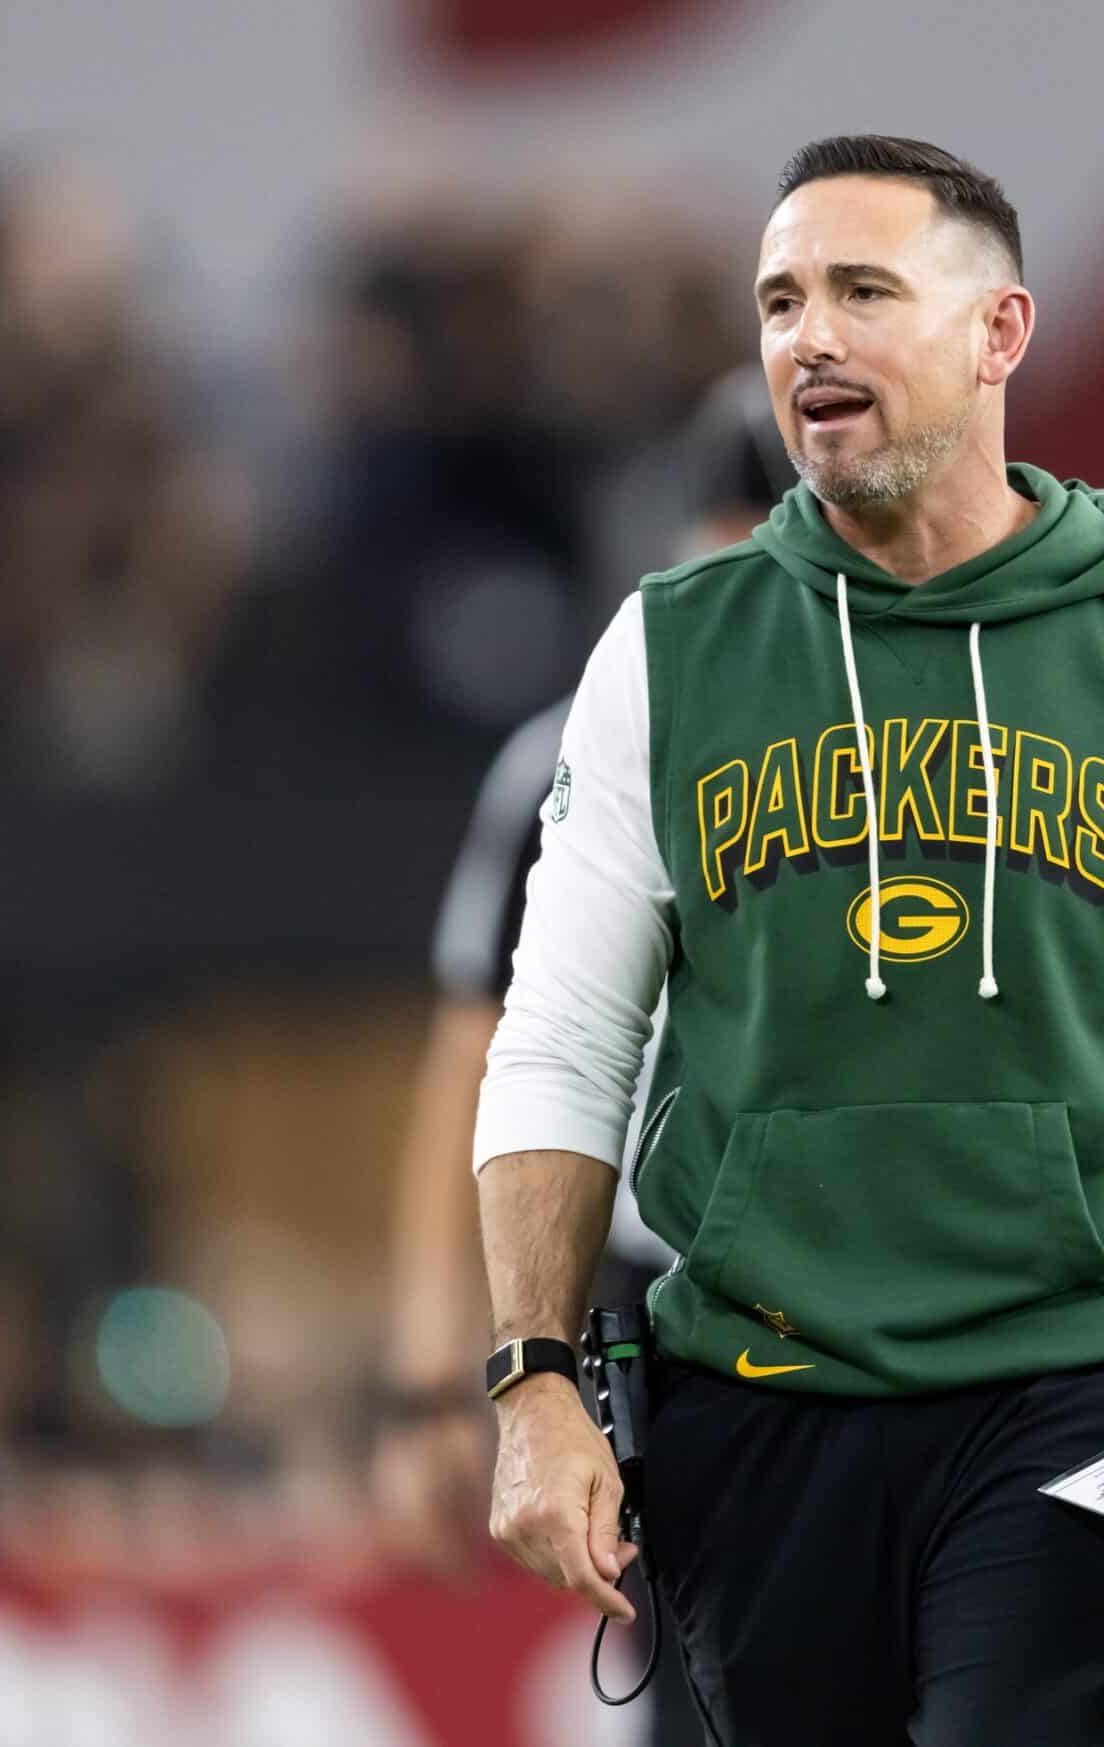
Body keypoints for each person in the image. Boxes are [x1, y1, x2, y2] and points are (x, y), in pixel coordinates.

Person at [473, 136, 1104, 1745]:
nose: (806, 337)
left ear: (998, 333)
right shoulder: (671, 654)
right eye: (779, 301)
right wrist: (532, 1378)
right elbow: (560, 1034)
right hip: (756, 1392)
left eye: (862, 291)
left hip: (1069, 1387)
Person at [376, 376, 796, 1744]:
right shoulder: (574, 755)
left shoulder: (942, 757)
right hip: (672, 1307)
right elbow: (474, 1070)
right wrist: (436, 1379)